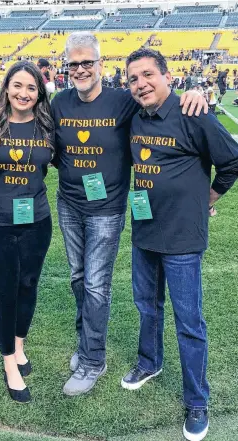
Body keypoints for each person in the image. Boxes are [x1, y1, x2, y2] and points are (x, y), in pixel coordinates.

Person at [50, 32, 208, 397]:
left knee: (95, 284)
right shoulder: (59, 103)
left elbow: (160, 99)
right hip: (69, 203)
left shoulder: (124, 100)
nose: (80, 69)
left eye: (87, 62)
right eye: (73, 64)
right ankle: (85, 341)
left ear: (100, 64)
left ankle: (93, 359)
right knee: (78, 279)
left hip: (107, 208)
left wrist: (194, 91)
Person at [122, 48, 238, 441]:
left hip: (184, 239)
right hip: (145, 233)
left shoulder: (193, 112)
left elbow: (232, 161)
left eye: (148, 75)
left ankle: (197, 400)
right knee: (147, 307)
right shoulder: (134, 116)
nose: (141, 84)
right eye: (134, 78)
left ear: (168, 76)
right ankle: (149, 361)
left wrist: (208, 199)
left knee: (189, 321)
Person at [0, 61, 54, 404]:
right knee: (6, 293)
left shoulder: (49, 127)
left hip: (37, 222)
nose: (24, 93)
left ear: (40, 93)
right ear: (6, 87)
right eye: (17, 86)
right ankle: (10, 364)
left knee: (28, 286)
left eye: (31, 88)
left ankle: (19, 346)